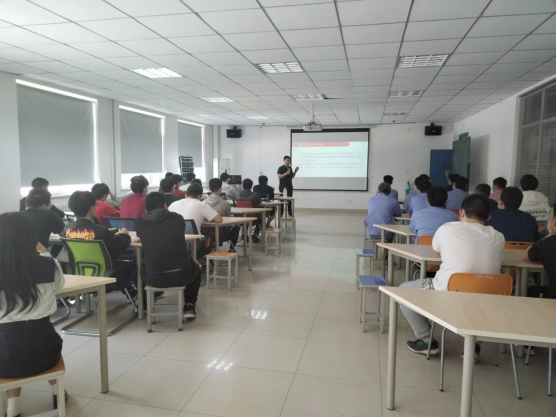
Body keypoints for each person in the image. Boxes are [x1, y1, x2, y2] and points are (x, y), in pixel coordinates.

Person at [401, 195, 505, 356]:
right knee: (475, 295)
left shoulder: (447, 229)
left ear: (461, 213)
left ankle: (426, 340)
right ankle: (474, 346)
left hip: (448, 293)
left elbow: (436, 251)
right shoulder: (498, 236)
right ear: (488, 217)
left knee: (403, 291)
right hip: (487, 298)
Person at [0, 213, 67, 418]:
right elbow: (59, 288)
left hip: (4, 357)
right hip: (45, 352)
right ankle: (58, 394)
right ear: (32, 236)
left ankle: (13, 409)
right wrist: (44, 252)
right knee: (35, 343)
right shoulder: (49, 265)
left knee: (11, 351)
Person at [135, 192, 202, 319]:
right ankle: (189, 305)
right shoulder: (177, 219)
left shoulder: (140, 223)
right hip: (182, 276)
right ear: (165, 205)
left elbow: (145, 234)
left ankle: (143, 304)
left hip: (153, 278)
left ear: (146, 208)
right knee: (196, 268)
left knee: (139, 267)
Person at [61, 191, 137, 295]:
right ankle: (138, 297)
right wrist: (125, 234)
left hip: (80, 271)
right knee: (137, 262)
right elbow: (120, 245)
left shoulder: (67, 229)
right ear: (91, 208)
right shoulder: (101, 231)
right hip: (107, 273)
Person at [527, 206, 556, 300]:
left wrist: (550, 234)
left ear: (553, 223)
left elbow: (529, 253)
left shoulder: (547, 243)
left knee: (530, 291)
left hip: (553, 298)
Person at [205, 179, 240, 252]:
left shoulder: (203, 203)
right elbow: (228, 221)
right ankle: (231, 249)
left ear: (209, 188)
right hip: (221, 235)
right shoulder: (225, 203)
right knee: (236, 226)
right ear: (220, 189)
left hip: (206, 234)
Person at [239, 179, 264, 243]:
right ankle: (255, 235)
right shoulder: (255, 195)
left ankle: (244, 234)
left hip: (239, 219)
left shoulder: (238, 194)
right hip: (251, 219)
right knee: (261, 217)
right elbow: (260, 202)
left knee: (246, 215)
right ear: (251, 186)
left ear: (243, 185)